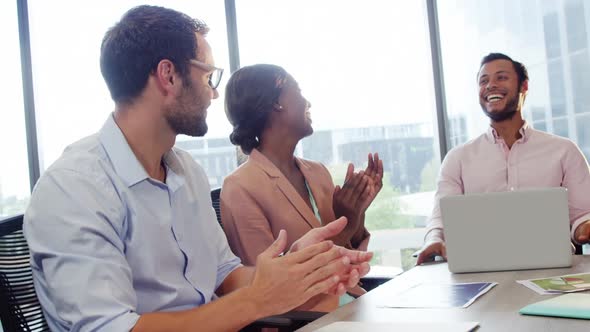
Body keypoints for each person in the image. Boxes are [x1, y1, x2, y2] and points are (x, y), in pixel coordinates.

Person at [23, 6, 372, 332]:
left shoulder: (185, 170)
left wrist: (294, 268)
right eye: (208, 77)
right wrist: (257, 300)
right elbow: (111, 328)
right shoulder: (74, 188)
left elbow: (225, 274)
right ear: (168, 76)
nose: (213, 95)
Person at [221, 64, 383, 311]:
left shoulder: (317, 172)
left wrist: (355, 212)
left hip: (351, 306)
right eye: (297, 90)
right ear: (276, 102)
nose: (308, 102)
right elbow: (268, 290)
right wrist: (346, 221)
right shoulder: (240, 188)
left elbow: (347, 259)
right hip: (305, 321)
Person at [416, 53, 590, 265]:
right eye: (484, 81)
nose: (490, 85)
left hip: (552, 270)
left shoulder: (564, 151)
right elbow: (440, 220)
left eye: (501, 77)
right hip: (477, 271)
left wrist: (585, 227)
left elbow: (582, 216)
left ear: (524, 86)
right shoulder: (457, 159)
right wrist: (434, 240)